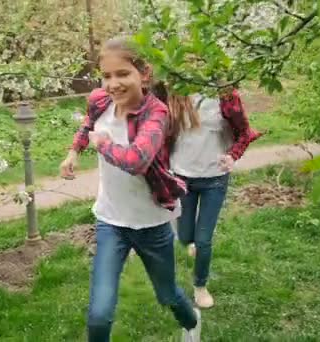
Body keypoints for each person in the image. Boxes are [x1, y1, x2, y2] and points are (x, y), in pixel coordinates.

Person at [60, 37, 201, 342]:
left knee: (168, 296)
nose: (113, 84)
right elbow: (88, 124)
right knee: (98, 315)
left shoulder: (156, 113)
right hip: (111, 221)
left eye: (123, 74)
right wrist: (74, 151)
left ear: (144, 73)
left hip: (151, 223)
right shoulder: (99, 101)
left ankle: (192, 323)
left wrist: (105, 144)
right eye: (107, 76)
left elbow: (137, 160)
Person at [153, 82, 261, 309]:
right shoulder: (172, 93)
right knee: (184, 237)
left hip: (214, 178)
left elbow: (244, 133)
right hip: (182, 177)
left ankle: (200, 286)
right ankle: (191, 242)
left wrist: (233, 155)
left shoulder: (225, 95)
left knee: (204, 240)